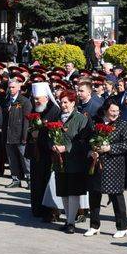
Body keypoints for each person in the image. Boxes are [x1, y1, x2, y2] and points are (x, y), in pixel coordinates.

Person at [85, 99, 127, 238]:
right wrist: (90, 151)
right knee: (94, 195)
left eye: (117, 111)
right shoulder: (94, 122)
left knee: (116, 197)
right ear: (105, 110)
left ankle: (122, 227)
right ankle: (94, 225)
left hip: (114, 165)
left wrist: (110, 148)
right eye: (112, 111)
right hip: (96, 163)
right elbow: (86, 139)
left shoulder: (122, 124)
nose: (115, 114)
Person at [52, 90, 90, 234]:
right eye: (61, 102)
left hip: (75, 161)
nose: (63, 105)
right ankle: (68, 219)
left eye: (66, 102)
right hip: (60, 161)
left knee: (73, 192)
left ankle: (71, 222)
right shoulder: (58, 117)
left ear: (73, 103)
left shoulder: (80, 118)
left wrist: (66, 147)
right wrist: (53, 145)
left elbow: (83, 141)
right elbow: (51, 134)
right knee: (63, 192)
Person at [26, 82, 61, 221]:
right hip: (36, 152)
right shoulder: (35, 110)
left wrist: (39, 135)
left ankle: (49, 210)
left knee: (48, 182)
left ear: (46, 97)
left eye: (38, 99)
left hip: (48, 153)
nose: (36, 101)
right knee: (36, 181)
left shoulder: (55, 111)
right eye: (34, 99)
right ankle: (37, 208)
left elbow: (55, 132)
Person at [3, 78, 32, 188]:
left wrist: (24, 137)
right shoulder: (7, 100)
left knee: (24, 159)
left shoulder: (24, 101)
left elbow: (26, 120)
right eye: (9, 87)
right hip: (8, 135)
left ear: (19, 87)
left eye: (13, 87)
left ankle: (29, 179)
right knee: (12, 159)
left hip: (20, 135)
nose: (11, 89)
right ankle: (16, 179)